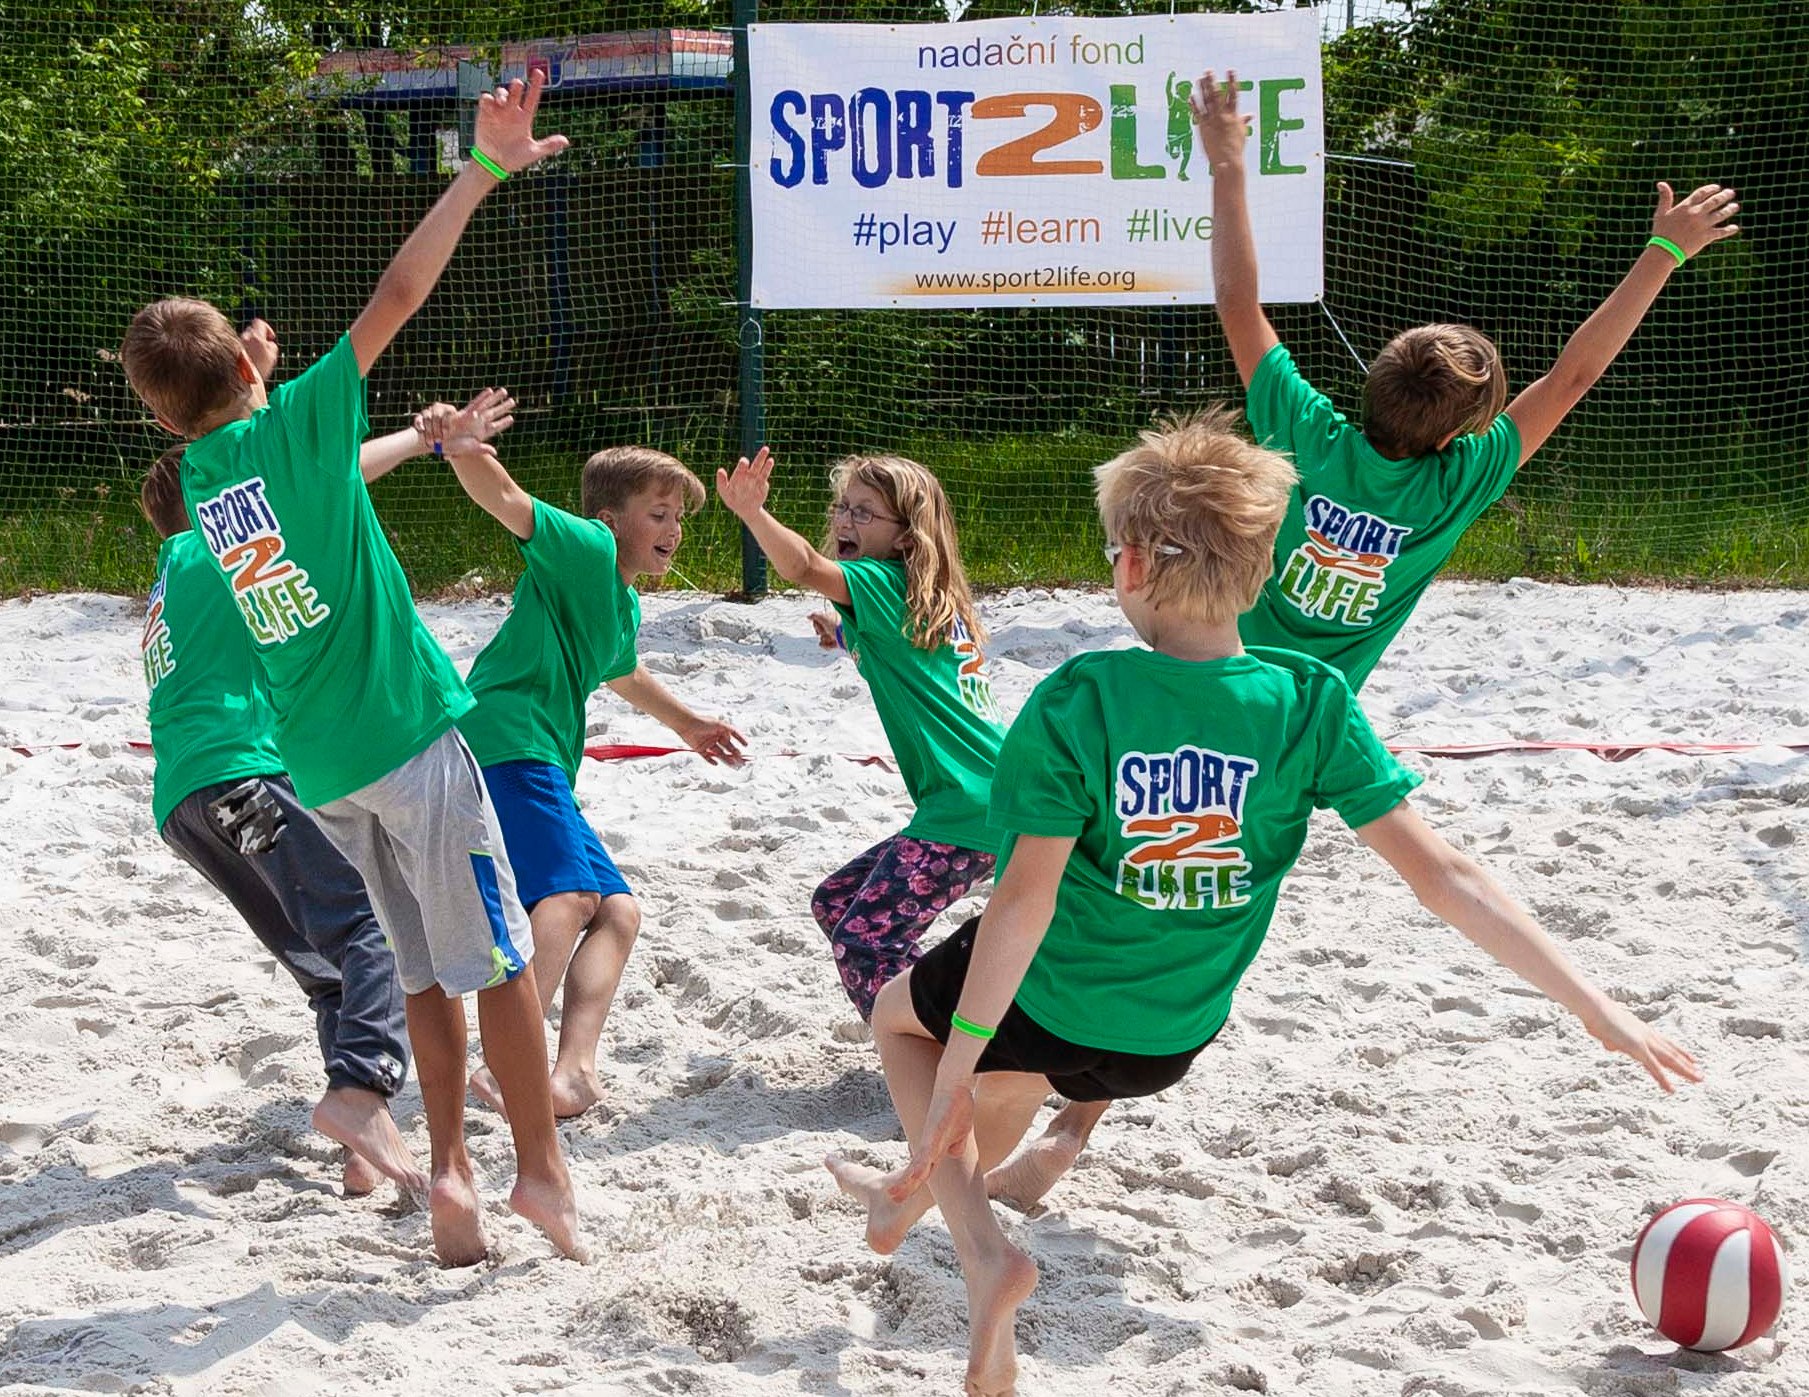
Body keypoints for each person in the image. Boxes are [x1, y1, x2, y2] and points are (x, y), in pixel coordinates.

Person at [826, 410, 1702, 1397]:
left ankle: (986, 1251)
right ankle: (902, 1208)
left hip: (1053, 993)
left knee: (907, 1027)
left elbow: (1022, 904)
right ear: (1266, 566)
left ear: (1130, 568)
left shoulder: (1081, 696)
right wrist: (1596, 1004)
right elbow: (1445, 874)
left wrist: (961, 1057)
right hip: (1167, 1040)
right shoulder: (1312, 696)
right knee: (1009, 1086)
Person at [994, 70, 1744, 1206]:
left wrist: (1229, 162)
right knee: (1194, 892)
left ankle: (1021, 1075)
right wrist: (1662, 253)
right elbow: (1577, 373)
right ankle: (1074, 1124)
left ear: (1373, 378)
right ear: (1467, 433)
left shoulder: (1309, 431)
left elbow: (1241, 305)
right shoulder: (1463, 481)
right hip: (1291, 721)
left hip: (1191, 651)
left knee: (1095, 855)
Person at [119, 71, 582, 1266]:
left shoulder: (208, 484)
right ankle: (539, 1171)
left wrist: (261, 380)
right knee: (502, 966)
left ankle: (449, 1173)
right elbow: (399, 290)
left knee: (420, 977)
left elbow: (252, 424)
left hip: (321, 767)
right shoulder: (294, 425)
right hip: (409, 739)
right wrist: (482, 169)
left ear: (168, 420)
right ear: (247, 369)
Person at [441, 421, 746, 1120]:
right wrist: (464, 452)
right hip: (506, 740)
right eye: (659, 513)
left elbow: (621, 670)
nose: (674, 529)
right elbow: (509, 502)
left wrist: (688, 723)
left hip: (538, 750)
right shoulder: (585, 549)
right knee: (570, 899)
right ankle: (506, 1059)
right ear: (611, 520)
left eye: (677, 517)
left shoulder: (622, 595)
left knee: (617, 911)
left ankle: (572, 1071)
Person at [716, 448, 1004, 1021]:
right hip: (996, 800)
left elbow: (799, 566)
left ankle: (935, 1055)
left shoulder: (879, 581)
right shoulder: (925, 601)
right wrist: (845, 639)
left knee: (864, 940)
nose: (845, 522)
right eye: (842, 507)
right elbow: (911, 667)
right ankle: (948, 1017)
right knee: (839, 902)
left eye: (864, 513)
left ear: (905, 537)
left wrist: (753, 513)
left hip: (965, 813)